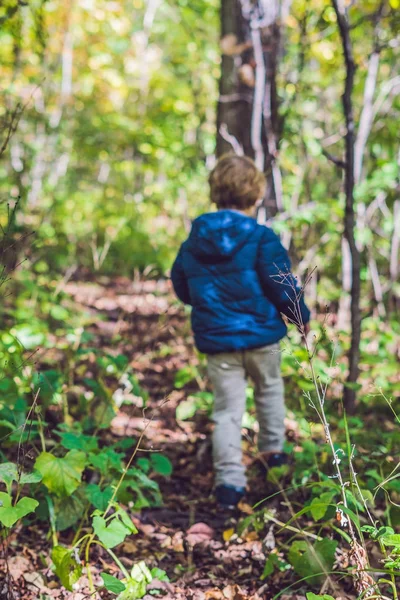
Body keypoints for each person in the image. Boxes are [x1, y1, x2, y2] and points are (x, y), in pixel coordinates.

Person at [171, 154, 310, 509]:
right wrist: (300, 318)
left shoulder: (195, 240)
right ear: (255, 195)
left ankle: (229, 485)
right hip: (262, 337)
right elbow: (282, 285)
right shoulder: (262, 238)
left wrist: (206, 304)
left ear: (215, 192)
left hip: (219, 342)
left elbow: (182, 285)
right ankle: (273, 456)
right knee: (270, 392)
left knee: (227, 411)